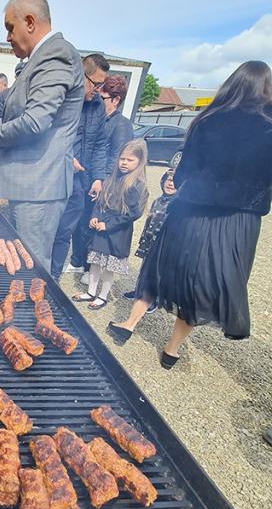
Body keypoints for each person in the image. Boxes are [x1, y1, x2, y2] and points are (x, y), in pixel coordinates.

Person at [108, 61, 272, 369]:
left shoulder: (209, 120)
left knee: (161, 268)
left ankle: (128, 325)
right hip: (239, 223)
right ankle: (171, 349)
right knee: (203, 283)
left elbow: (184, 172)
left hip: (193, 211)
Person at [0, 0, 84, 270]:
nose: (7, 37)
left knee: (33, 271)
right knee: (20, 266)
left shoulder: (57, 55)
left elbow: (35, 121)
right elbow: (14, 119)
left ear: (30, 22)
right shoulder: (37, 60)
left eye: (10, 27)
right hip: (29, 187)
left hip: (40, 188)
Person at [51, 53, 109, 277]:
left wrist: (98, 177)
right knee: (45, 232)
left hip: (78, 183)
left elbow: (100, 144)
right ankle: (34, 276)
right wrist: (65, 155)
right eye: (95, 83)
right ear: (80, 74)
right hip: (53, 179)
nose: (98, 89)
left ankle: (52, 279)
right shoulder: (62, 99)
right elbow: (45, 134)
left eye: (101, 84)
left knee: (64, 234)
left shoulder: (98, 106)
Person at [72, 140, 148, 309]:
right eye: (122, 159)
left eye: (130, 160)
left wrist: (109, 225)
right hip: (100, 229)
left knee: (108, 267)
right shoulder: (111, 179)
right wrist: (94, 216)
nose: (124, 163)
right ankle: (91, 291)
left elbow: (133, 213)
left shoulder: (136, 185)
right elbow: (100, 202)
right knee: (95, 262)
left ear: (139, 162)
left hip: (116, 233)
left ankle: (103, 295)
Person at [123, 168, 177, 312]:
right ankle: (139, 291)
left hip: (163, 246)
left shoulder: (177, 205)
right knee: (145, 268)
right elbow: (149, 222)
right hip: (150, 241)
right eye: (168, 180)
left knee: (158, 273)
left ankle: (154, 299)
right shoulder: (158, 201)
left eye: (174, 181)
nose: (170, 184)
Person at [100, 75, 133, 175]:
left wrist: (100, 182)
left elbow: (116, 159)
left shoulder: (122, 125)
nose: (97, 101)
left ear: (116, 100)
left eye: (102, 98)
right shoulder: (100, 119)